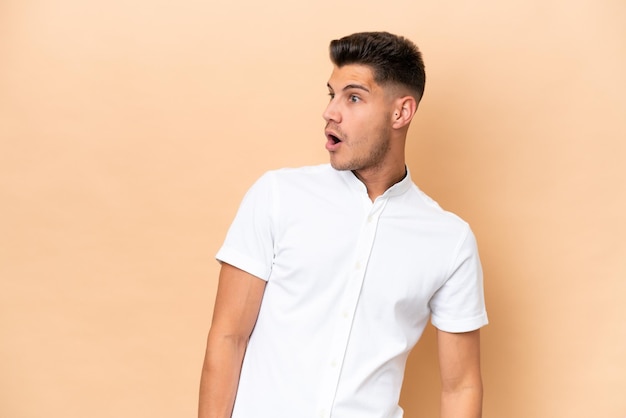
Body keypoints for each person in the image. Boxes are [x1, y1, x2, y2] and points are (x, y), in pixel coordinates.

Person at [198, 31, 488, 418]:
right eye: (331, 94)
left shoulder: (449, 240)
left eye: (353, 98)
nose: (331, 112)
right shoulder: (278, 195)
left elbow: (461, 385)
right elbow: (228, 338)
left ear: (401, 112)